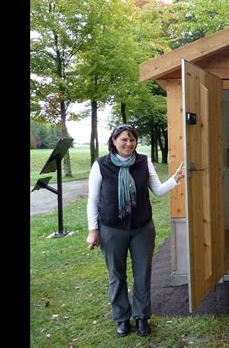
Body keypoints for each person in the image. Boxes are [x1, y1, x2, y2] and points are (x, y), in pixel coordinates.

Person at [86, 124, 184, 337]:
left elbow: (157, 190)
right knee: (116, 275)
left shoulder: (143, 161)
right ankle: (122, 318)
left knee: (143, 274)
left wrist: (175, 179)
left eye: (132, 140)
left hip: (142, 229)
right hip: (112, 229)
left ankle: (141, 317)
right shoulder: (101, 165)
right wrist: (93, 230)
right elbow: (93, 200)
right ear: (113, 141)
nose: (128, 144)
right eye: (123, 139)